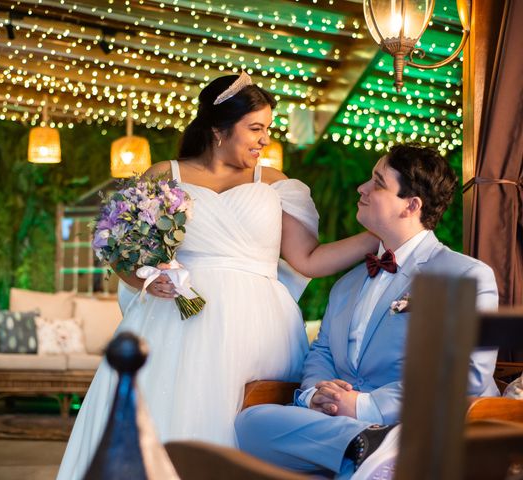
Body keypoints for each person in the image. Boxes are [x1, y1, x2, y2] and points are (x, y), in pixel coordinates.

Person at [56, 72, 379, 480]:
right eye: (256, 128)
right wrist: (145, 278)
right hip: (177, 322)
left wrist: (378, 236)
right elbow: (120, 249)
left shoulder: (276, 184)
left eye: (268, 129)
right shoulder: (164, 175)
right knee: (173, 414)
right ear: (218, 130)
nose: (265, 139)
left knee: (250, 424)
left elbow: (309, 260)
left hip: (261, 327)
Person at [234, 143, 500, 479]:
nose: (362, 188)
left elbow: (466, 374)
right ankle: (367, 447)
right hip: (341, 423)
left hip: (419, 422)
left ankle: (366, 451)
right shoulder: (347, 283)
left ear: (411, 205)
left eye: (377, 182)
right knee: (251, 422)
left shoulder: (465, 274)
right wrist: (317, 394)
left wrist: (365, 406)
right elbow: (323, 351)